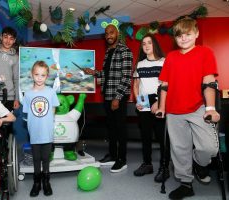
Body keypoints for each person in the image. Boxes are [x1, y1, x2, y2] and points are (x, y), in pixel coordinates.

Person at [156, 17, 220, 199]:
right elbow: (164, 85)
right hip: (174, 111)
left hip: (198, 107)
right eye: (179, 35)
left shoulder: (205, 52)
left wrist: (210, 108)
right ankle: (186, 183)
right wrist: (161, 106)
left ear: (196, 34)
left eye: (188, 34)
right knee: (179, 149)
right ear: (175, 38)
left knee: (209, 148)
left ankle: (200, 164)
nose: (183, 38)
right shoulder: (171, 57)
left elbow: (209, 82)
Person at [83, 23, 133, 173]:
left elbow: (126, 77)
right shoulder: (108, 52)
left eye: (111, 32)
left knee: (120, 129)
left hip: (118, 97)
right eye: (106, 34)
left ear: (117, 34)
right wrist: (93, 72)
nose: (109, 35)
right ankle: (112, 155)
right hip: (107, 95)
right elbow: (106, 74)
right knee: (110, 129)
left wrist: (117, 98)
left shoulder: (125, 51)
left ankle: (122, 159)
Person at [132, 34, 170, 182]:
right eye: (143, 44)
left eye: (149, 43)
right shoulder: (140, 64)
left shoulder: (164, 62)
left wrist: (159, 102)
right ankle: (147, 164)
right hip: (144, 101)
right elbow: (136, 85)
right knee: (145, 137)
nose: (146, 46)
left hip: (159, 100)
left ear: (155, 44)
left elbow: (167, 85)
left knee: (162, 138)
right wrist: (138, 101)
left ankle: (164, 167)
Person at [22, 61, 59, 197]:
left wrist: (49, 122)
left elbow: (53, 108)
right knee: (36, 158)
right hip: (34, 132)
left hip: (47, 131)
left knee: (45, 157)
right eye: (37, 74)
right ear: (32, 75)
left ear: (47, 76)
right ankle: (36, 182)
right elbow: (28, 113)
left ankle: (46, 182)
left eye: (43, 75)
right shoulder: (28, 94)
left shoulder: (50, 92)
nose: (39, 77)